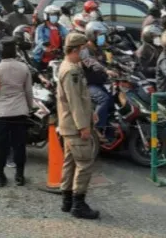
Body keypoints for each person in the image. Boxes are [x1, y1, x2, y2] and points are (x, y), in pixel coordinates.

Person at [57, 32, 100, 220]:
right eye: (83, 48)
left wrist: (91, 114)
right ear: (76, 49)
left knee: (70, 162)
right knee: (84, 163)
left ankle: (67, 201)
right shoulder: (72, 71)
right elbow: (74, 101)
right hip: (75, 126)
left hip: (69, 124)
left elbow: (81, 98)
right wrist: (84, 126)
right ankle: (78, 204)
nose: (86, 52)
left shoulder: (71, 67)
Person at [0, 37, 34, 186]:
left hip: (2, 114)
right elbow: (28, 91)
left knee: (1, 147)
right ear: (14, 51)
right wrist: (30, 108)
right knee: (19, 145)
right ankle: (19, 176)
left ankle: (0, 176)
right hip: (20, 112)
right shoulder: (24, 67)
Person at [81, 21, 117, 134]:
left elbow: (107, 61)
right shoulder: (85, 50)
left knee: (113, 101)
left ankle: (109, 131)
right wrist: (106, 70)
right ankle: (96, 130)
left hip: (99, 83)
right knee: (103, 99)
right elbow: (92, 63)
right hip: (87, 84)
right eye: (100, 34)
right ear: (92, 34)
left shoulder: (99, 48)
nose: (103, 37)